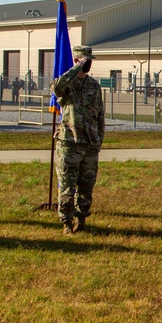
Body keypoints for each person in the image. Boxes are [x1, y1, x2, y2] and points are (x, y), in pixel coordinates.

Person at [51, 46, 106, 235]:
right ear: (76, 61)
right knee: (67, 184)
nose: (88, 63)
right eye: (85, 60)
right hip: (69, 143)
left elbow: (100, 115)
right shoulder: (68, 85)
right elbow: (56, 87)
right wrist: (75, 69)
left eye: (90, 60)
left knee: (87, 184)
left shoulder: (94, 86)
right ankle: (67, 222)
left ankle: (82, 219)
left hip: (90, 144)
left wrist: (99, 140)